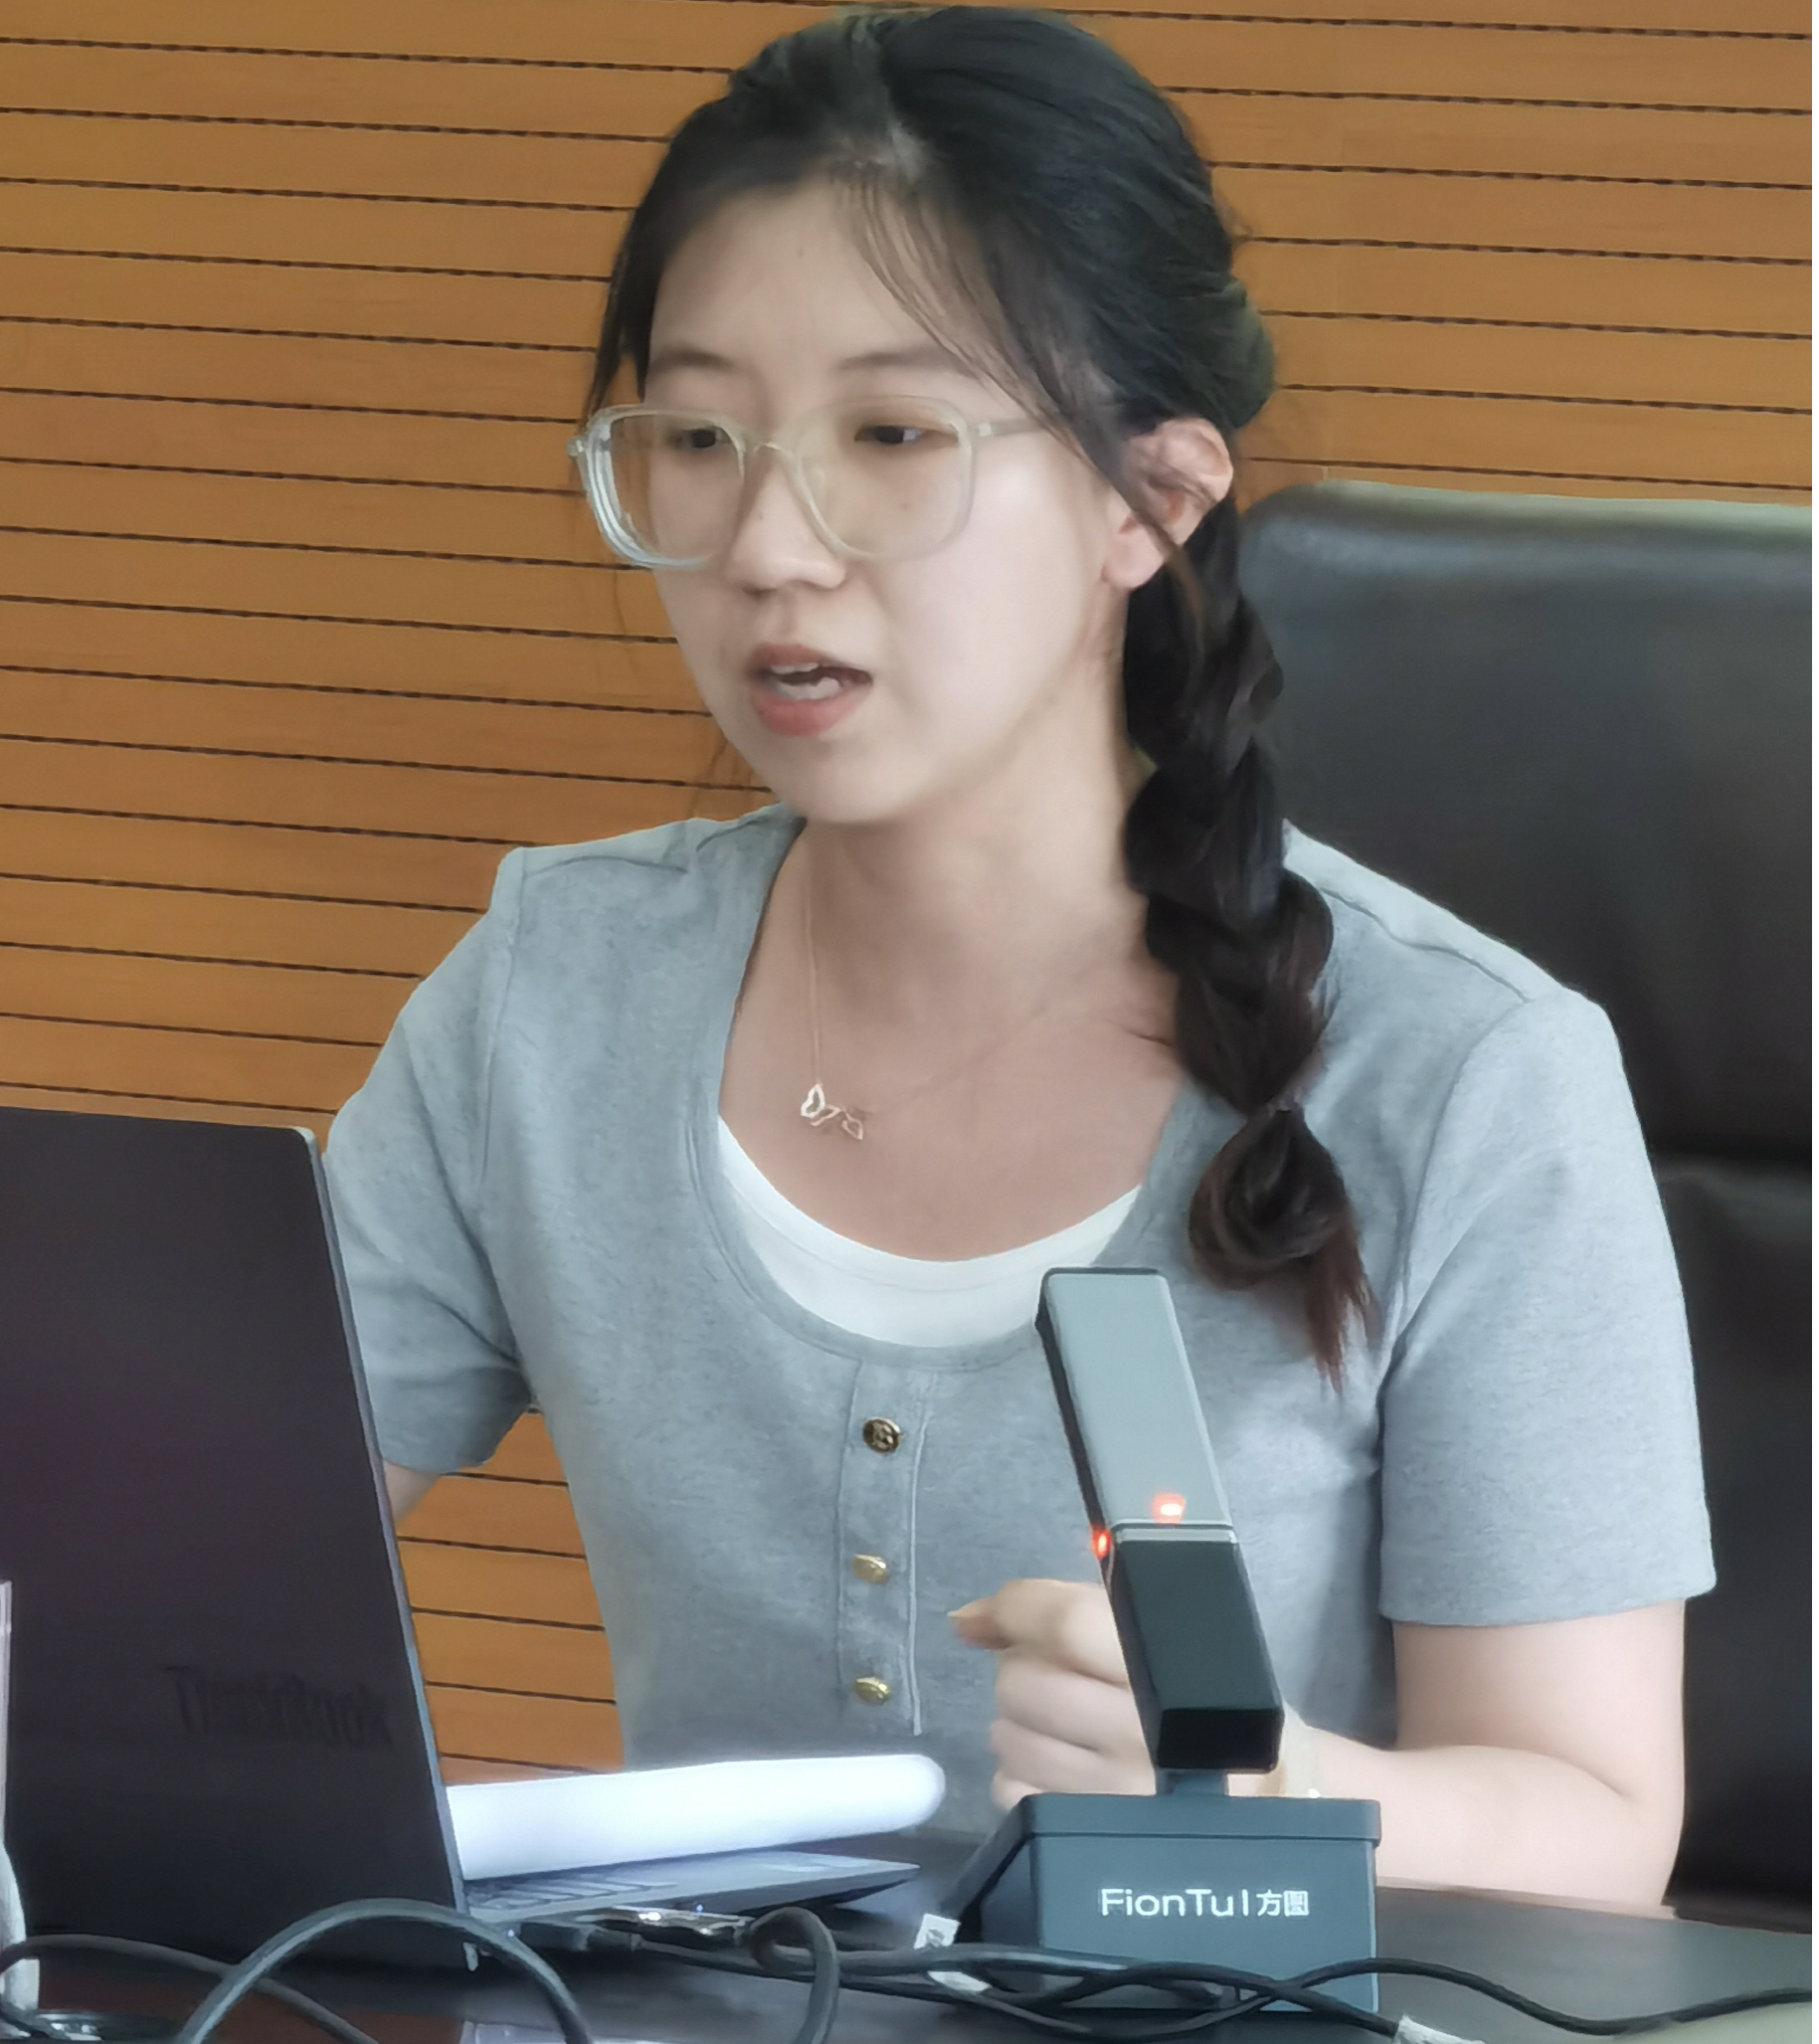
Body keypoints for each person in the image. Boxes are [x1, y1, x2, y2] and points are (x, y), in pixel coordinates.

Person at [322, 6, 1711, 1908]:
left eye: (891, 437)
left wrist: (1278, 1783)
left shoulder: (1467, 1076)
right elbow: (193, 1535)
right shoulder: (550, 994)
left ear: (1153, 499)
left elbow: (1597, 1825)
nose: (770, 547)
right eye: (700, 439)